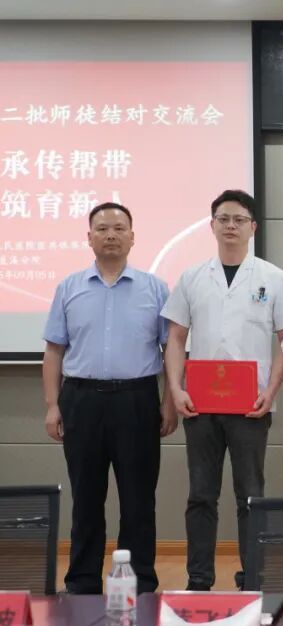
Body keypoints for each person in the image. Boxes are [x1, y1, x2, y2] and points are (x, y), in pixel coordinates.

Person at [162, 190, 283, 591]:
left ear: (253, 227)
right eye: (223, 219)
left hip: (251, 405)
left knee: (250, 495)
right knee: (201, 495)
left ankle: (251, 578)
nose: (231, 226)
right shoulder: (192, 277)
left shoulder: (274, 279)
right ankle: (199, 579)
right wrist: (176, 389)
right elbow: (175, 337)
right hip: (199, 405)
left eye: (239, 220)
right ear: (212, 226)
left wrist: (271, 391)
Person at [42, 202, 177, 594]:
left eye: (119, 228)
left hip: (137, 400)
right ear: (89, 238)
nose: (111, 235)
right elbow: (54, 351)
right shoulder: (69, 288)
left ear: (133, 237)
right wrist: (52, 405)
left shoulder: (155, 288)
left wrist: (169, 402)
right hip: (81, 401)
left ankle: (140, 582)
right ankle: (82, 582)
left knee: (139, 500)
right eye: (102, 229)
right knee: (86, 498)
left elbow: (171, 350)